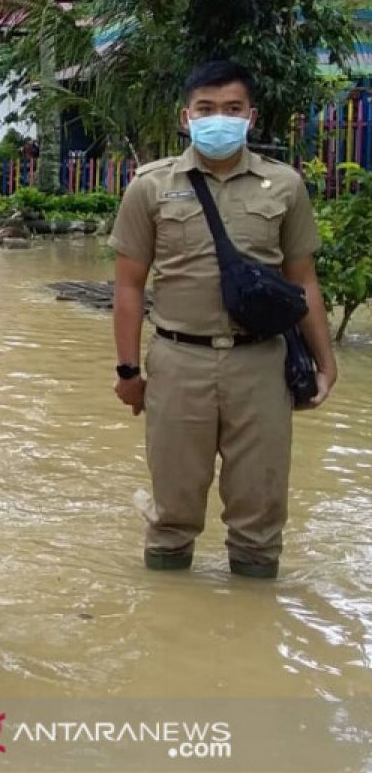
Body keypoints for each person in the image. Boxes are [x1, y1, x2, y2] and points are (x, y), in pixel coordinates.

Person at [111, 59, 337, 579]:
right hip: (177, 359)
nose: (219, 119)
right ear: (185, 117)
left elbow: (304, 280)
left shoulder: (283, 186)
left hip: (260, 363)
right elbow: (128, 285)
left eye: (232, 109)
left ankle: (252, 633)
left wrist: (326, 363)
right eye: (206, 109)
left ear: (251, 116)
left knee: (260, 513)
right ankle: (167, 629)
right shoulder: (150, 187)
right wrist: (127, 371)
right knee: (172, 510)